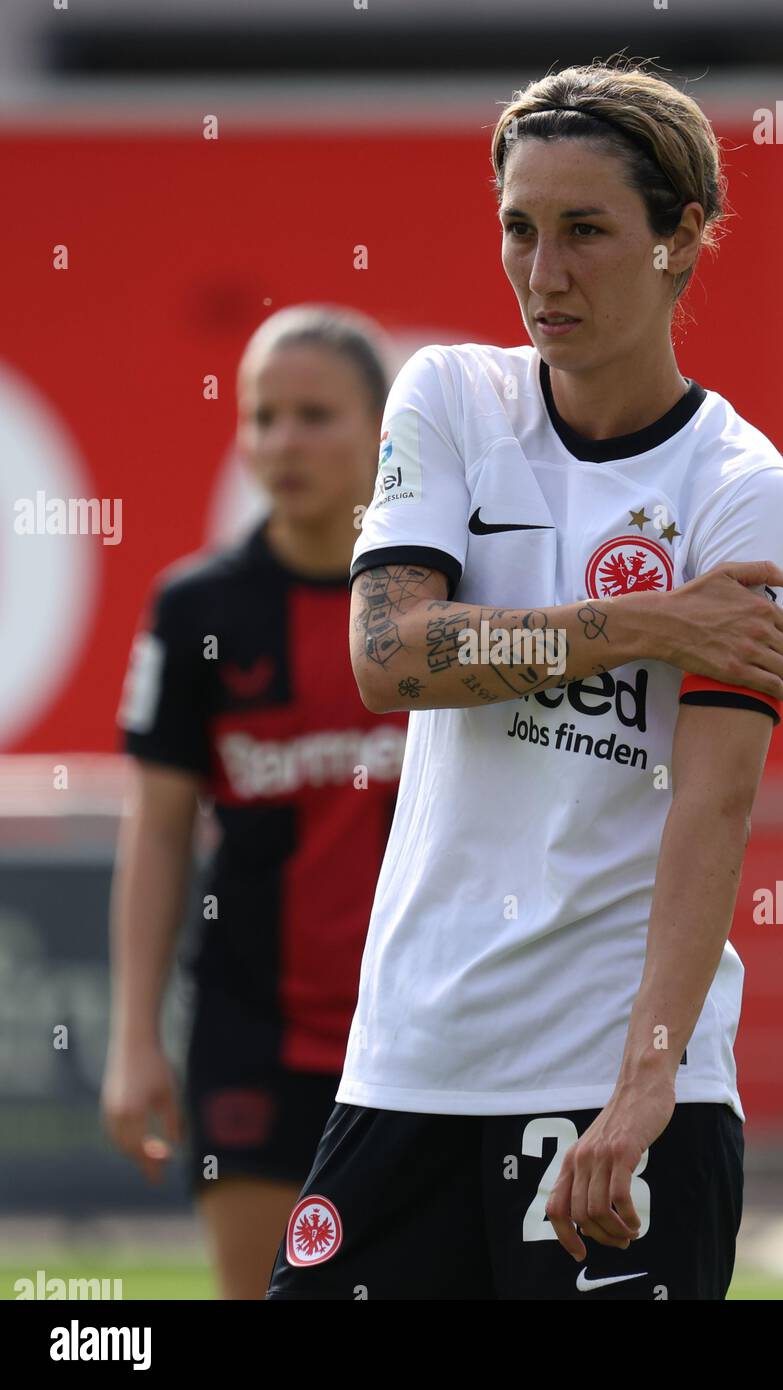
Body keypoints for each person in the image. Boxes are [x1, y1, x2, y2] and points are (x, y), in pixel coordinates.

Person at [266, 57, 783, 1301]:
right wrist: (645, 623)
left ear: (681, 240)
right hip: (414, 1057)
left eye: (584, 232)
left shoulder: (742, 489)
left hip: (609, 1077)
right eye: (518, 227)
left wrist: (644, 1080)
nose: (541, 273)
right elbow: (389, 653)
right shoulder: (449, 397)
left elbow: (710, 808)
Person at [102, 305, 406, 1299]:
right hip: (252, 1030)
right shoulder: (199, 609)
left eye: (314, 414)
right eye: (262, 416)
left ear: (381, 430)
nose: (283, 442)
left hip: (426, 1026)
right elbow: (156, 828)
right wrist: (134, 1036)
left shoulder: (446, 608)